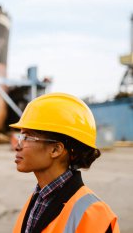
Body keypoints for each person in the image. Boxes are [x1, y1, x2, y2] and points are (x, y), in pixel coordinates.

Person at [9, 92, 120, 233]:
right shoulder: (38, 199)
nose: (17, 146)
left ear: (56, 149)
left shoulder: (95, 215)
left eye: (28, 137)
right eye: (20, 137)